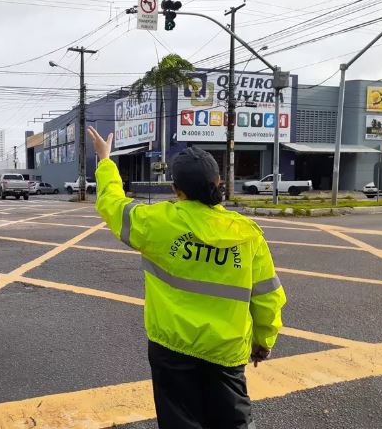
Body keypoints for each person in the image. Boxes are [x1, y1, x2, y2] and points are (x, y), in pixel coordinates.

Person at [88, 126, 286, 429]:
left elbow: (113, 204)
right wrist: (263, 341)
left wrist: (105, 160)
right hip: (226, 351)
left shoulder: (158, 223)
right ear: (217, 182)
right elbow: (267, 296)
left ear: (175, 189)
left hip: (172, 347)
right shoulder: (246, 234)